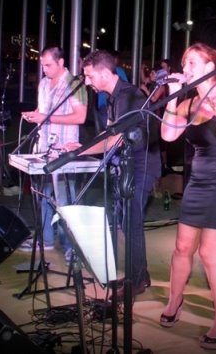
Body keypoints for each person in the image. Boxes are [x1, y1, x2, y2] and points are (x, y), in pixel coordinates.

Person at [159, 43, 216, 350]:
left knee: (210, 254)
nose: (186, 68)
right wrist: (173, 97)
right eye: (185, 63)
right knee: (182, 247)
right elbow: (168, 135)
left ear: (211, 67)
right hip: (198, 182)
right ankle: (175, 301)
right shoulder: (188, 103)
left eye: (192, 62)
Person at [67, 49, 161, 301]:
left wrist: (80, 151)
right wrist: (84, 146)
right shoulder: (113, 98)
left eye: (89, 76)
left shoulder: (129, 96)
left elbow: (116, 140)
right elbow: (108, 134)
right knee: (126, 221)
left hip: (143, 165)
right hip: (129, 165)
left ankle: (136, 281)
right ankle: (139, 274)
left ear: (105, 73)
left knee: (131, 222)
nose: (87, 82)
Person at [20, 46, 88, 263]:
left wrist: (46, 117)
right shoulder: (43, 83)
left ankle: (71, 248)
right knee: (43, 196)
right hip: (44, 149)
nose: (45, 69)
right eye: (42, 65)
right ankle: (46, 240)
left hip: (64, 152)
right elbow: (43, 113)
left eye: (48, 65)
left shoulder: (74, 84)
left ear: (61, 63)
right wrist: (36, 116)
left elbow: (80, 117)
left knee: (65, 201)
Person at [95, 50, 128, 133]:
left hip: (103, 105)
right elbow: (126, 87)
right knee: (115, 131)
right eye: (117, 59)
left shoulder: (100, 70)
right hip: (114, 105)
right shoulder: (119, 71)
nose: (117, 61)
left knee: (104, 131)